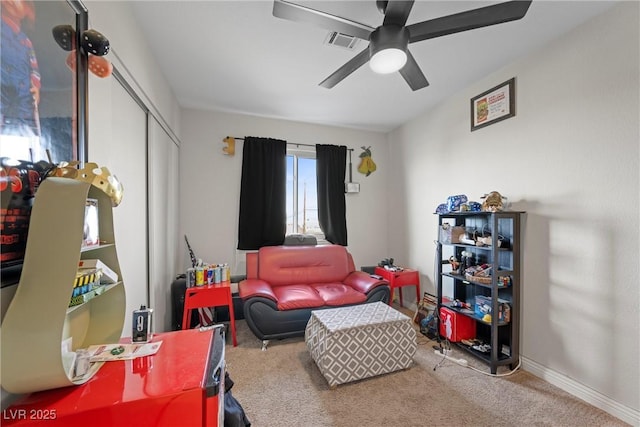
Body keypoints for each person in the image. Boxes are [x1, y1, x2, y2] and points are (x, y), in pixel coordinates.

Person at [1, 0, 41, 137]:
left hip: (22, 98)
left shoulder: (26, 41)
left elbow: (33, 68)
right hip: (2, 91)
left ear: (27, 11)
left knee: (22, 129)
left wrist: (35, 86)